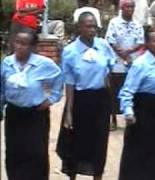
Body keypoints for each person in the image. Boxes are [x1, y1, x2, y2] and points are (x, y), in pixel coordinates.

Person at [58, 12, 115, 180]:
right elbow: (69, 82)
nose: (92, 30)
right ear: (79, 28)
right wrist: (69, 112)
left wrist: (110, 104)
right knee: (77, 142)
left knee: (99, 142)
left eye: (94, 26)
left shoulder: (103, 46)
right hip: (80, 100)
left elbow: (109, 70)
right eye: (88, 26)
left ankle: (97, 176)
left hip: (100, 100)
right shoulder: (70, 51)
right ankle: (73, 175)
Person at [1, 30, 63, 179]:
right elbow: (2, 87)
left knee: (36, 153)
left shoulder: (44, 64)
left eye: (24, 44)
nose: (20, 47)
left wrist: (51, 99)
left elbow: (59, 80)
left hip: (35, 115)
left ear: (33, 47)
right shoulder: (7, 63)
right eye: (17, 43)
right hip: (14, 114)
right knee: (14, 152)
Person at [118, 27, 155, 180]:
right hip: (141, 112)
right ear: (147, 44)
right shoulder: (140, 64)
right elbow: (127, 90)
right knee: (138, 151)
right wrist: (128, 111)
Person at [106, 0, 145, 130]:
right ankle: (113, 120)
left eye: (132, 7)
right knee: (114, 91)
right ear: (122, 8)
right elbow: (110, 40)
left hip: (133, 63)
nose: (130, 9)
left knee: (132, 90)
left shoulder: (137, 25)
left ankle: (130, 117)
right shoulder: (114, 23)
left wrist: (128, 52)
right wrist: (122, 53)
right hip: (117, 63)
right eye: (127, 7)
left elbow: (140, 42)